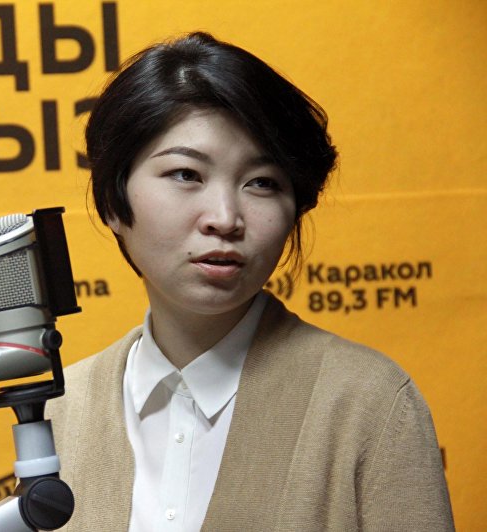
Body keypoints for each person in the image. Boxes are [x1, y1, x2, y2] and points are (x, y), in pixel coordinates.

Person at [45, 32, 454, 531]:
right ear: (113, 202)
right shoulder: (61, 408)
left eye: (262, 182)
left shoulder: (370, 403)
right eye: (186, 174)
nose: (224, 218)